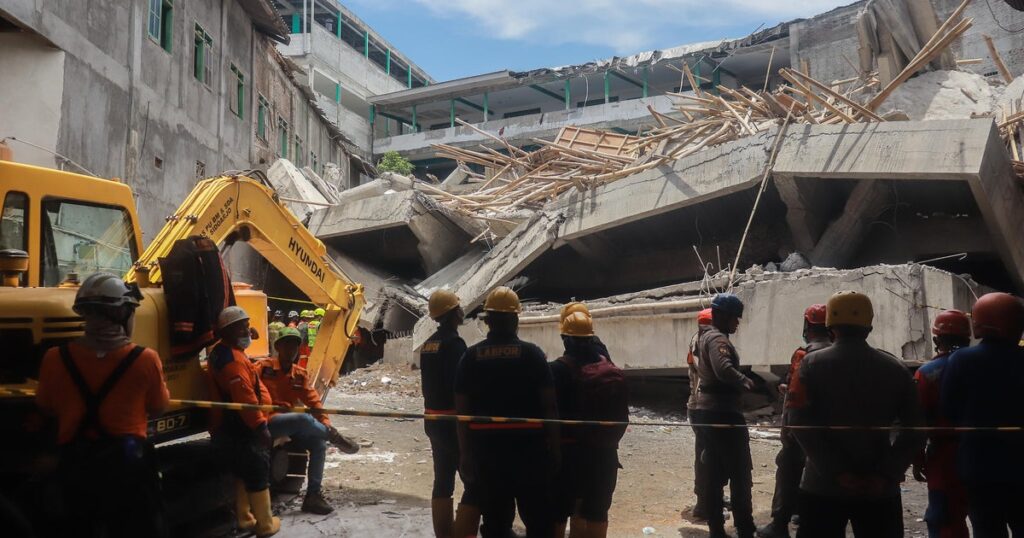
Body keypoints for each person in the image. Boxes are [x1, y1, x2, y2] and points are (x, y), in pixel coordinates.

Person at [35, 273, 170, 538]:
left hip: (75, 468)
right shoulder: (145, 359)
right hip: (128, 470)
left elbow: (45, 405)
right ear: (122, 314)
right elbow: (158, 407)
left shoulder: (54, 359)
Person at [786, 291, 924, 538]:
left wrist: (836, 472)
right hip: (879, 489)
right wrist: (886, 473)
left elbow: (798, 422)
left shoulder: (809, 364)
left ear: (831, 326)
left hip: (822, 485)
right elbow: (915, 429)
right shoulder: (895, 368)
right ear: (869, 326)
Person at [454, 286, 559, 537]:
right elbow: (550, 406)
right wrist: (555, 450)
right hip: (529, 454)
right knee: (539, 523)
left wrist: (466, 454)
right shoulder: (533, 355)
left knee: (496, 524)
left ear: (488, 321)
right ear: (515, 320)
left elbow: (461, 412)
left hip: (487, 455)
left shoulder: (470, 357)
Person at [941, 292, 1024, 537]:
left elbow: (949, 411)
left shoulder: (961, 360)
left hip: (979, 466)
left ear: (978, 324)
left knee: (987, 529)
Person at [257, 327, 359, 515]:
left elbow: (314, 402)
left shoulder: (299, 375)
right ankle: (334, 437)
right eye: (287, 344)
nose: (291, 349)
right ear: (278, 347)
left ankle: (313, 496)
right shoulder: (263, 368)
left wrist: (325, 422)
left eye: (295, 345)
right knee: (303, 419)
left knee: (318, 443)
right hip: (267, 422)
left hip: (290, 424)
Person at [550, 312, 627, 538]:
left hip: (568, 454)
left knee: (559, 512)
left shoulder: (557, 370)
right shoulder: (607, 368)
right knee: (596, 512)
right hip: (604, 453)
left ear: (565, 338)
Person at [758, 304, 831, 538]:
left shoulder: (804, 355)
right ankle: (802, 512)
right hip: (827, 430)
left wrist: (786, 430)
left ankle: (779, 524)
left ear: (808, 326)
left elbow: (795, 398)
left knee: (788, 469)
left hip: (801, 428)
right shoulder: (838, 354)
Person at [206, 306, 280, 537]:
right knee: (257, 471)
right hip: (242, 426)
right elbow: (245, 399)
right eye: (242, 327)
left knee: (241, 472)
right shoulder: (234, 362)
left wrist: (248, 334)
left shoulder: (222, 351)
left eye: (247, 325)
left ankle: (244, 518)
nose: (247, 330)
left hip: (228, 425)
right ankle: (265, 525)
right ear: (227, 332)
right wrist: (260, 426)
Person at [691, 293, 757, 538]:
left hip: (707, 412)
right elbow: (723, 369)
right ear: (723, 316)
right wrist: (745, 381)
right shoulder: (717, 339)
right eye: (735, 318)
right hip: (723, 413)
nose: (737, 323)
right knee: (740, 472)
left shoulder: (703, 336)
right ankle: (745, 526)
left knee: (714, 472)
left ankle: (716, 529)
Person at [421, 290, 480, 538]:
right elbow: (461, 387)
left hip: (433, 420)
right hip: (452, 422)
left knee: (442, 481)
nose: (462, 310)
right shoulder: (455, 344)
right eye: (458, 307)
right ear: (453, 312)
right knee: (473, 482)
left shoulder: (428, 345)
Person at [912, 309, 972, 538]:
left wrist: (917, 459)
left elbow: (919, 421)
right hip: (988, 450)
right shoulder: (979, 365)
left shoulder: (927, 373)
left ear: (937, 339)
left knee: (944, 518)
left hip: (945, 456)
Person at [685, 308, 714, 522]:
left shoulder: (698, 340)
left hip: (698, 406)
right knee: (706, 456)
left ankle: (708, 498)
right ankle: (704, 503)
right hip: (702, 408)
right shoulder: (704, 344)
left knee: (706, 454)